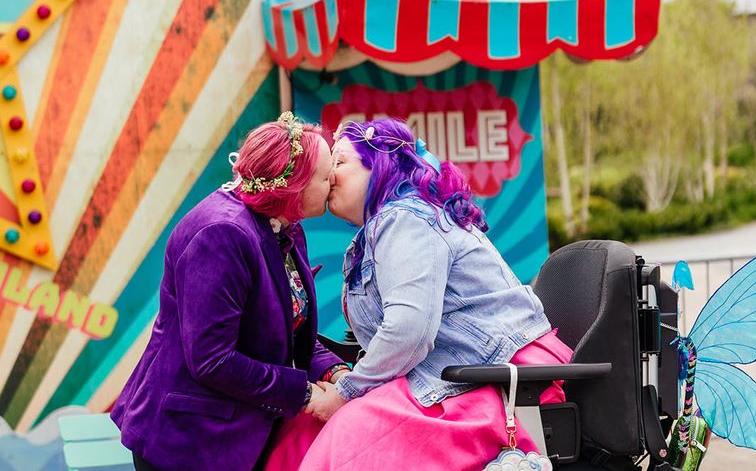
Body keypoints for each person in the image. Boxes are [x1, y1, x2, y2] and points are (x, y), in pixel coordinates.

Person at [264, 118, 573, 471]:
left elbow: (408, 332)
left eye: (340, 162)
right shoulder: (379, 231)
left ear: (380, 163)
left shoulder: (406, 218)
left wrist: (344, 391)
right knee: (303, 433)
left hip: (495, 381)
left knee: (349, 433)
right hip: (458, 373)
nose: (329, 175)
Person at [111, 112, 351, 471]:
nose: (333, 179)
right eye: (324, 174)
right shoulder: (220, 235)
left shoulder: (283, 223)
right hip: (188, 440)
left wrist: (335, 372)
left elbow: (287, 327)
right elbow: (212, 360)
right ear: (293, 188)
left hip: (234, 431)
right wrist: (306, 394)